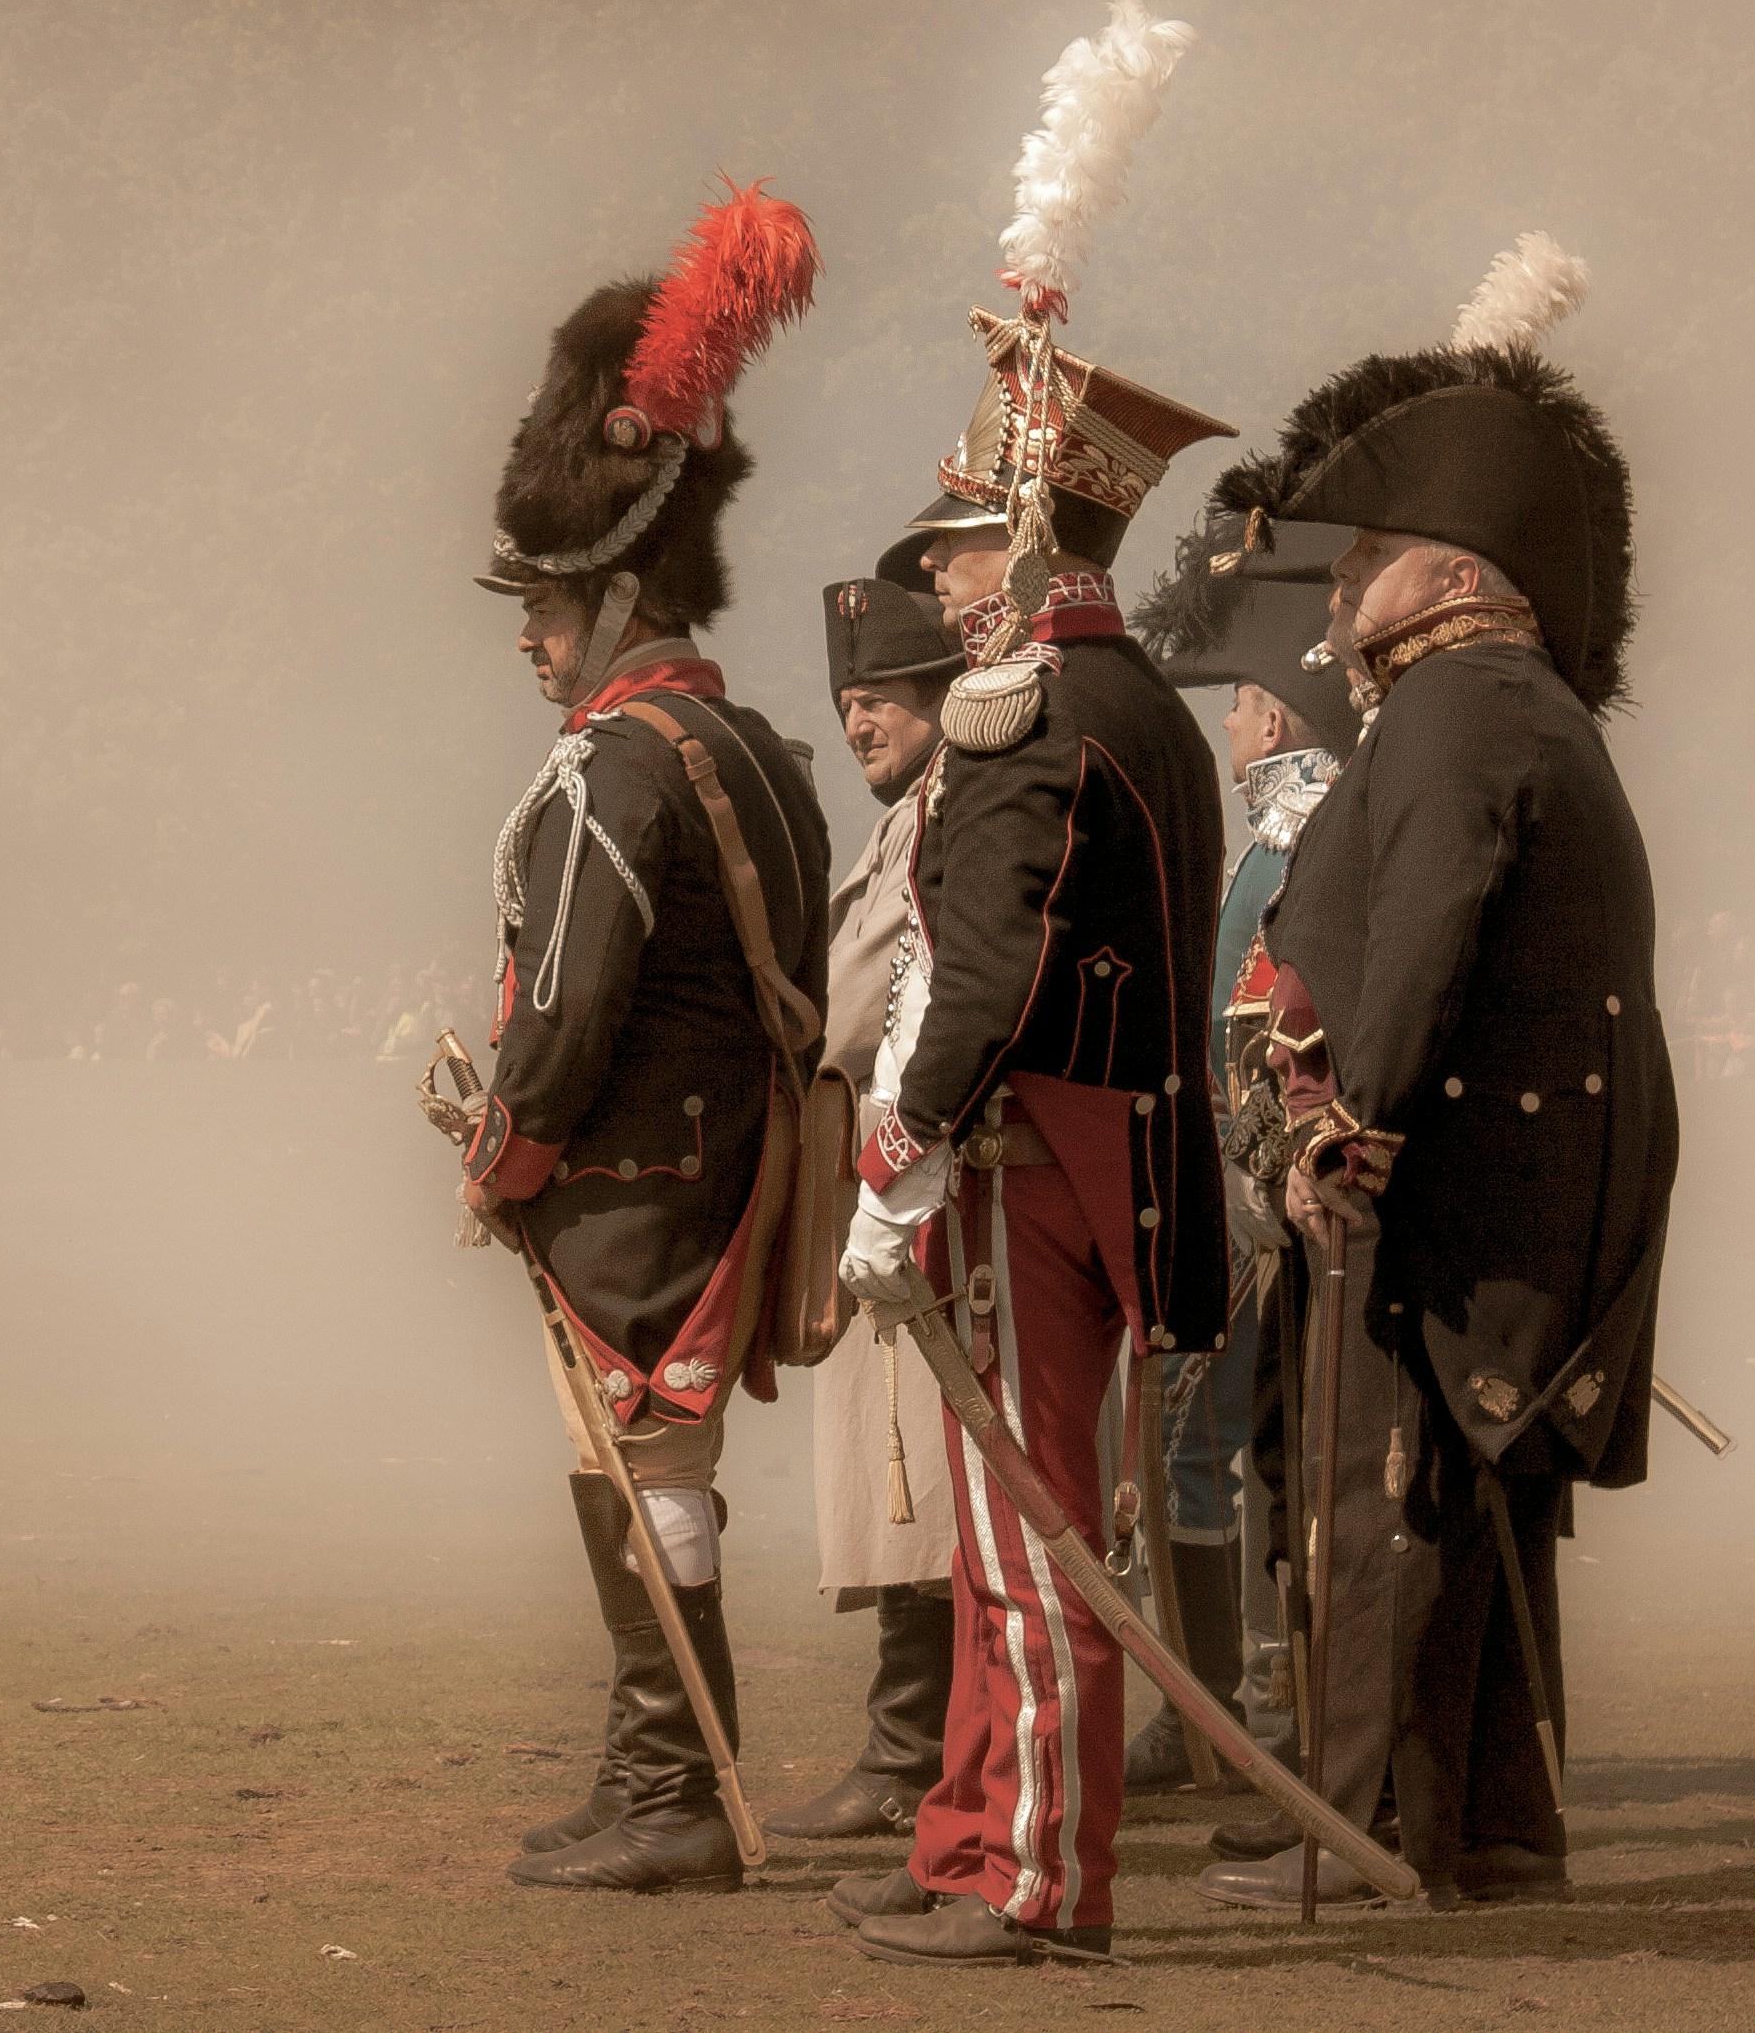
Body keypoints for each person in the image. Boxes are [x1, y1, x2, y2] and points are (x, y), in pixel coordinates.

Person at [1192, 299, 1679, 1911]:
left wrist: (1353, 1119)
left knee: (1383, 1508)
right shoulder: (1515, 706)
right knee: (1484, 1514)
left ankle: (1366, 1839)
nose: (1333, 598)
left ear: (1459, 576)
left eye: (1364, 563)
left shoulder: (1460, 708)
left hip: (1451, 1176)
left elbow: (1429, 934)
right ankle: (1498, 1834)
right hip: (1536, 1176)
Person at [830, 305, 1233, 1961]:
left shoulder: (1029, 706)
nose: (935, 582)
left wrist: (898, 1142)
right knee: (1013, 1521)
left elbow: (985, 968)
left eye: (959, 543)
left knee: (1024, 1527)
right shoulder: (1129, 697)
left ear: (1032, 536)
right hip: (1098, 1168)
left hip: (1025, 1173)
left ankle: (1039, 1874)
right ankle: (969, 1832)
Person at [451, 184, 831, 1894]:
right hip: (706, 1157)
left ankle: (672, 1784)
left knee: (641, 1456)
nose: (528, 629)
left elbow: (574, 1000)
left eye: (545, 599)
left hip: (633, 1170)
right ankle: (653, 1769)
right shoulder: (741, 736)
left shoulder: (620, 762)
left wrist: (506, 1147)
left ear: (614, 593)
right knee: (644, 1457)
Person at [1119, 503, 1361, 1793]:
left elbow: (1254, 1036)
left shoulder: (1287, 837)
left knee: (1205, 1449)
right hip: (1254, 1198)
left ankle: (1227, 1717)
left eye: (1233, 707)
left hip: (1251, 1209)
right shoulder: (1300, 829)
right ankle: (1238, 1709)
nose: (1221, 727)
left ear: (1269, 715)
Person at [762, 577, 963, 1844]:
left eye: (879, 699)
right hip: (873, 1169)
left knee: (916, 1483)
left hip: (908, 1180)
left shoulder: (941, 814)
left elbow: (867, 1001)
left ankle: (911, 1751)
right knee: (900, 1477)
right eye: (845, 703)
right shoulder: (900, 823)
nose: (856, 724)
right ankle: (909, 1739)